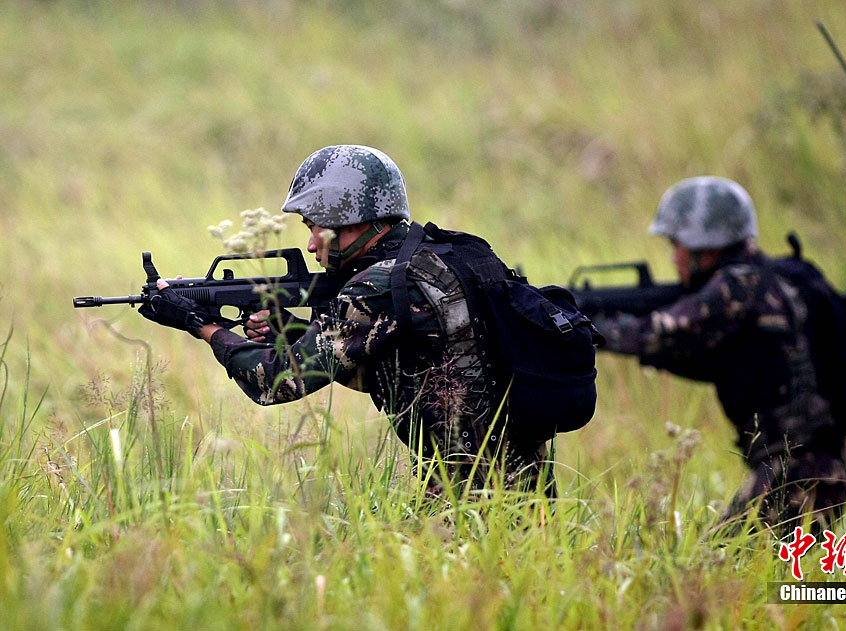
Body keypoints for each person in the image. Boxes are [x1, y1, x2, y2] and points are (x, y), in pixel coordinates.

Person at [139, 145, 555, 495]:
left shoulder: (380, 284)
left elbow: (276, 381)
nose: (309, 243)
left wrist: (204, 326)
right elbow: (386, 370)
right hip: (526, 483)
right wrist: (292, 330)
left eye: (315, 227)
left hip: (469, 491)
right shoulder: (443, 257)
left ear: (350, 219)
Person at [595, 176, 846, 532]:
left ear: (704, 245)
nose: (673, 257)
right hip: (812, 468)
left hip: (797, 472)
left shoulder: (738, 288)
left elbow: (657, 333)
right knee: (731, 558)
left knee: (720, 558)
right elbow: (704, 357)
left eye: (676, 244)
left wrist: (581, 327)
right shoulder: (767, 280)